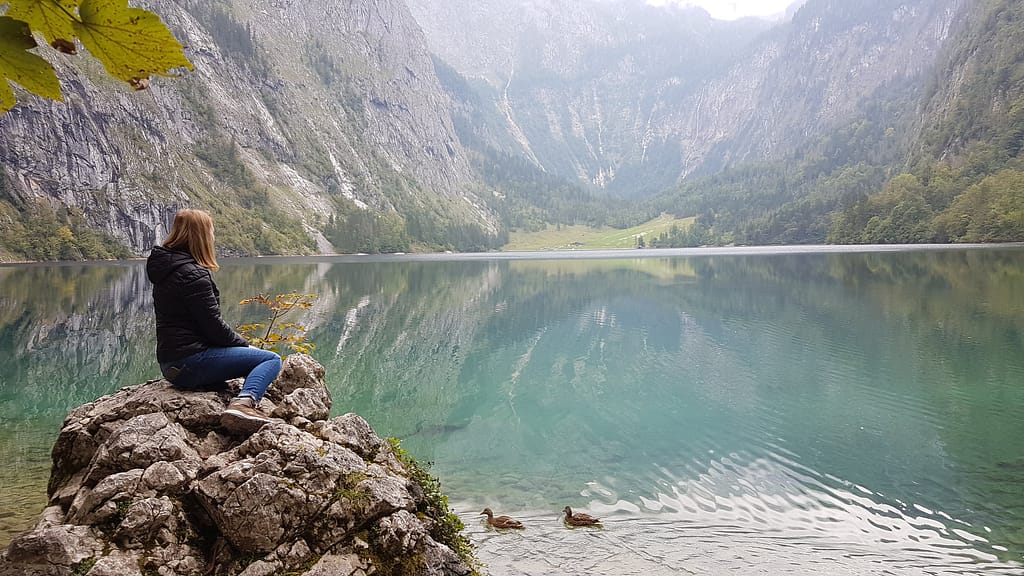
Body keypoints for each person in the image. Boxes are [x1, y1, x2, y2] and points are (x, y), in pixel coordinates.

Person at [146, 208, 281, 433]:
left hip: (170, 365)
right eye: (211, 231)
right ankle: (244, 404)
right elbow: (213, 327)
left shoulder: (168, 269)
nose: (213, 237)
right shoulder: (193, 274)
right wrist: (244, 344)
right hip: (189, 362)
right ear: (201, 235)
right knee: (270, 360)